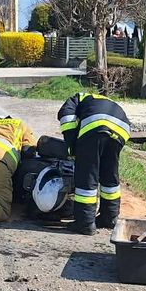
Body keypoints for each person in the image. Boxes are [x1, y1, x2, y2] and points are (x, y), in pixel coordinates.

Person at [57, 91, 131, 235]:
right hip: (121, 129)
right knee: (109, 174)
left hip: (95, 126)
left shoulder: (75, 99)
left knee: (87, 176)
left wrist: (72, 146)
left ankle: (85, 223)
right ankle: (109, 218)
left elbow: (67, 118)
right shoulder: (101, 100)